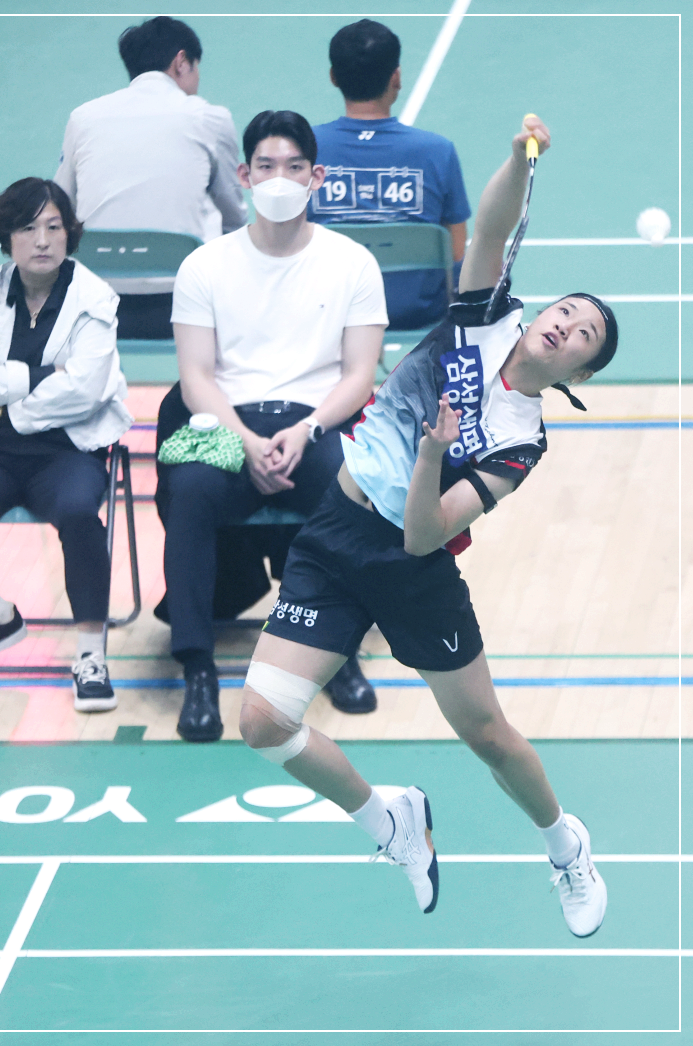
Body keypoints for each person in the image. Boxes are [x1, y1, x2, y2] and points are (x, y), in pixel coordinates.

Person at [237, 115, 618, 936]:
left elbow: (424, 536)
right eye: (566, 309)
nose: (565, 323)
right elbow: (492, 229)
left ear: (578, 373)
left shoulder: (520, 441)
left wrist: (431, 454)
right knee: (263, 721)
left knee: (487, 735)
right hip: (336, 530)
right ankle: (390, 821)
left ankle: (565, 845)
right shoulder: (485, 316)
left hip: (410, 566)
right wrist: (518, 156)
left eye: (583, 334)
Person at [157, 109, 388, 742]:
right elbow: (195, 376)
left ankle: (335, 653)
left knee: (346, 486)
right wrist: (245, 441)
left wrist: (308, 429)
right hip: (225, 422)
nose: (279, 178)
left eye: (293, 166)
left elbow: (359, 374)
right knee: (191, 489)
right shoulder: (205, 265)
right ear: (244, 175)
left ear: (317, 176)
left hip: (316, 421)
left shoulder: (353, 263)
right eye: (266, 166)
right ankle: (198, 668)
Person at [0, 178, 133, 713]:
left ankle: (90, 655)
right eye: (28, 228)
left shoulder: (94, 298)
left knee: (79, 514)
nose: (42, 240)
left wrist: (8, 402)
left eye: (54, 227)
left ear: (69, 234)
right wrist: (41, 376)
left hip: (68, 452)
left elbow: (85, 390)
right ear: (6, 237)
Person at [54, 16, 247, 340]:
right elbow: (234, 219)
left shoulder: (82, 118)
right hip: (186, 306)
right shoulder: (210, 118)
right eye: (196, 68)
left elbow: (60, 207)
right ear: (181, 62)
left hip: (95, 307)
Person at [309, 19, 470, 329]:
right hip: (418, 312)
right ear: (396, 77)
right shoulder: (438, 151)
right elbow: (456, 251)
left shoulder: (304, 148)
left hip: (329, 309)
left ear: (333, 77)